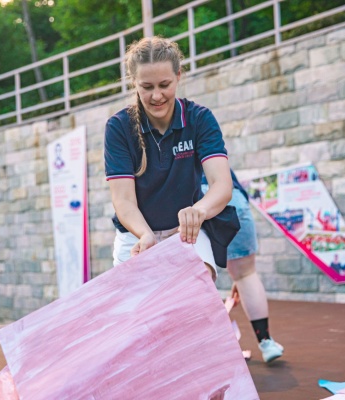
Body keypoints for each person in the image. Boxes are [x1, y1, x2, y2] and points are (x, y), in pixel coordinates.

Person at [104, 36, 233, 281]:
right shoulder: (119, 127)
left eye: (164, 84)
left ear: (178, 76)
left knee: (198, 290)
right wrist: (145, 235)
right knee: (136, 305)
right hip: (136, 235)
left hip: (186, 232)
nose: (156, 96)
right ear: (134, 82)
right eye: (147, 87)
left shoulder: (200, 119)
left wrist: (198, 212)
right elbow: (123, 200)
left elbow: (222, 185)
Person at [203, 171, 284, 363]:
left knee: (197, 279)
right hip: (230, 196)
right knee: (246, 274)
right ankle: (266, 343)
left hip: (192, 198)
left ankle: (204, 351)